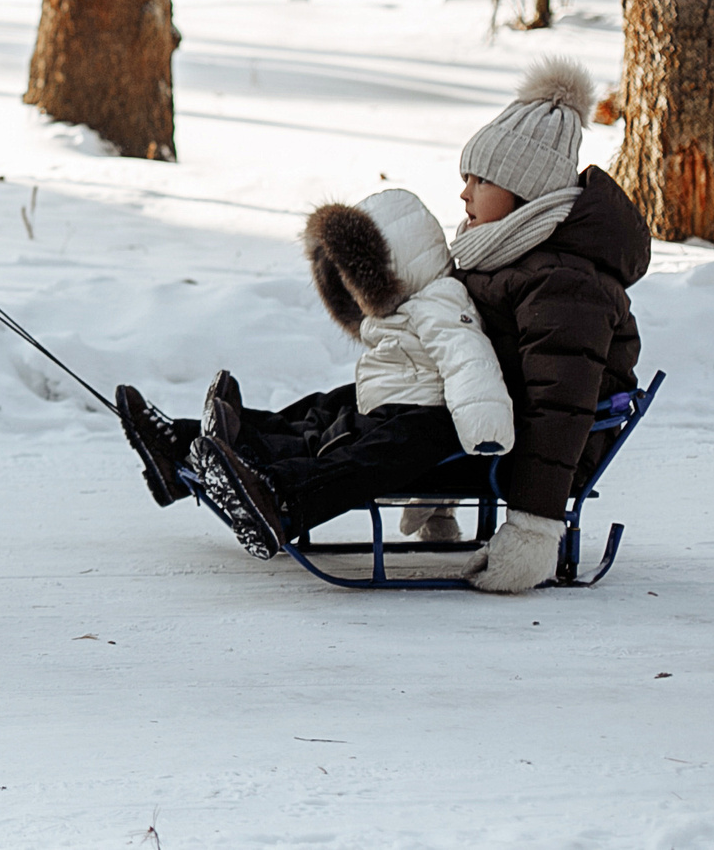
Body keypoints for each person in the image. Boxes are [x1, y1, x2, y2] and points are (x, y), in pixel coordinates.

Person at [116, 188, 515, 559]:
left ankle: (278, 496)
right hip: (389, 406)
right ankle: (191, 443)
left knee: (356, 448)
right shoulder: (405, 306)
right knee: (321, 413)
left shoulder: (442, 299)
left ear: (394, 264)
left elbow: (469, 359)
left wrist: (487, 427)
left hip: (422, 418)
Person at [438, 58, 648, 593]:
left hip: (531, 448)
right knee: (356, 407)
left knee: (384, 433)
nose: (465, 194)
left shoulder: (564, 283)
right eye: (466, 178)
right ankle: (247, 447)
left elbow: (560, 407)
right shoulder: (508, 257)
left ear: (525, 192)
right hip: (490, 421)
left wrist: (532, 529)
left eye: (481, 180)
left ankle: (282, 485)